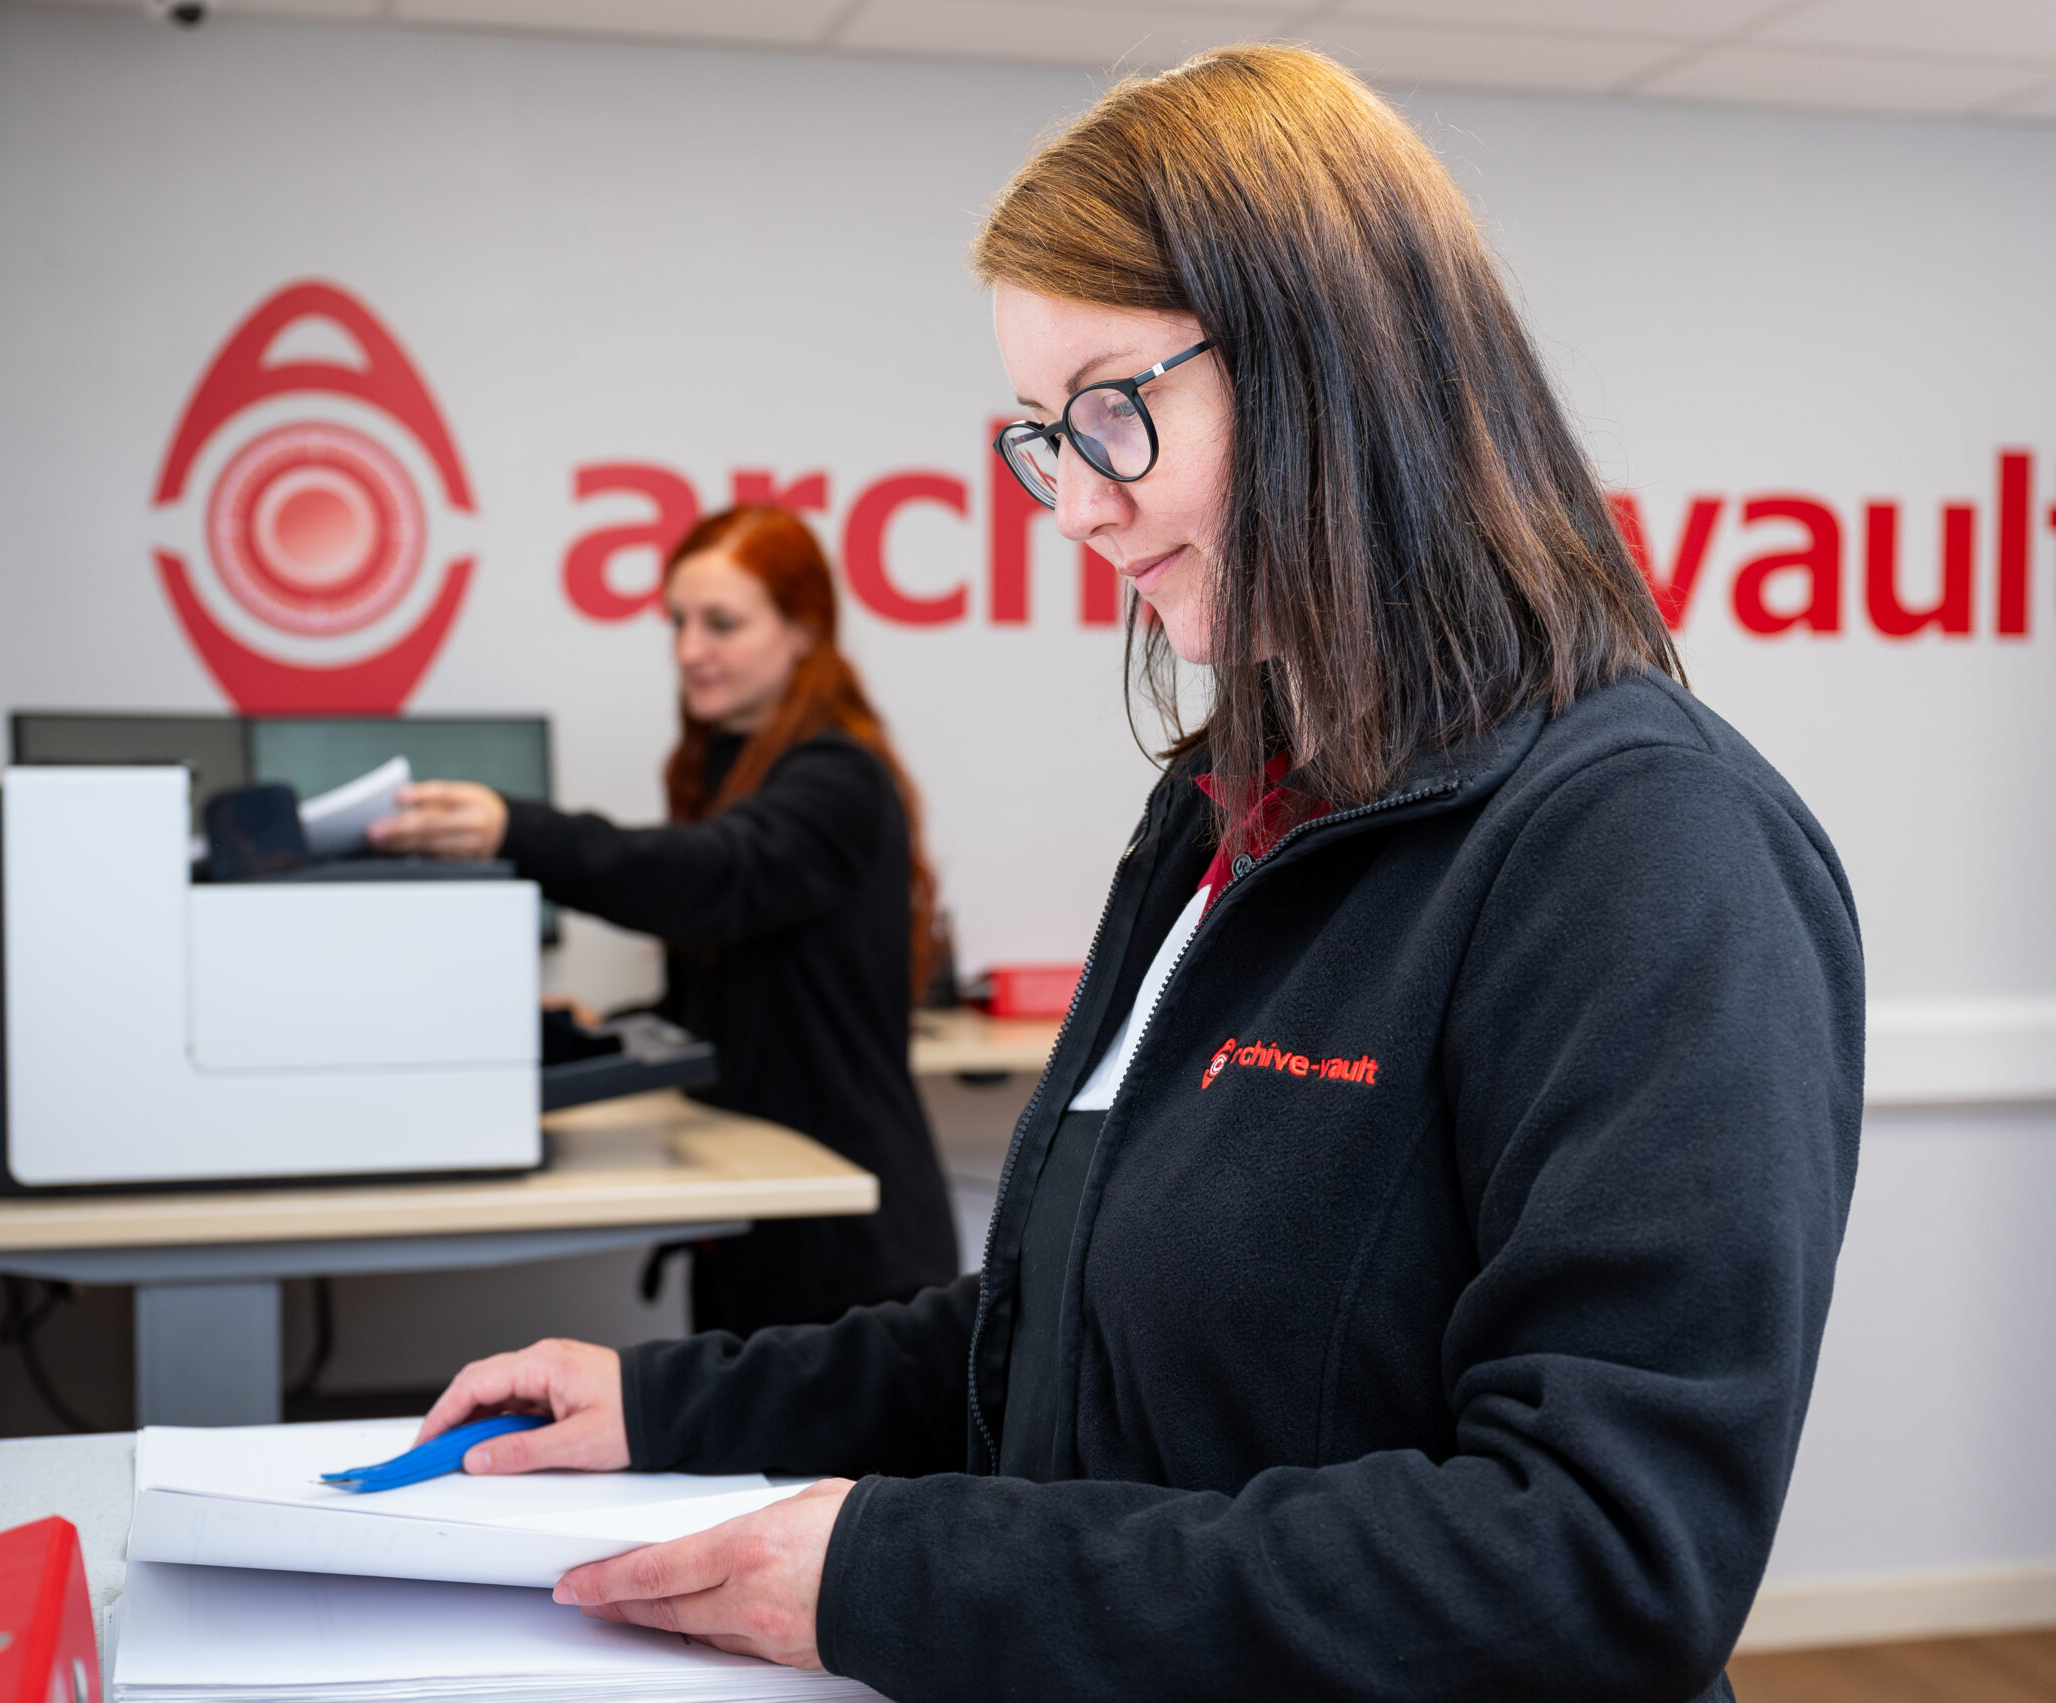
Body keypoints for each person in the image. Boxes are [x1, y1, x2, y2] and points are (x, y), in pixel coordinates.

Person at [412, 45, 1863, 1703]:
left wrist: (906, 1572)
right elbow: (1068, 1332)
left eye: (1117, 408)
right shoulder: (1216, 818)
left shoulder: (1647, 851)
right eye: (1044, 437)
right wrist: (670, 1407)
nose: (1079, 505)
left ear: (1336, 361)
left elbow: (1602, 1559)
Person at [369, 505, 959, 1335]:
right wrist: (608, 1030)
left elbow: (711, 875)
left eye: (721, 623)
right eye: (678, 622)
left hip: (845, 1247)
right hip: (757, 1213)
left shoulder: (837, 778)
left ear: (804, 629)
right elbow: (738, 1000)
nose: (689, 649)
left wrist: (517, 831)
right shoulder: (728, 764)